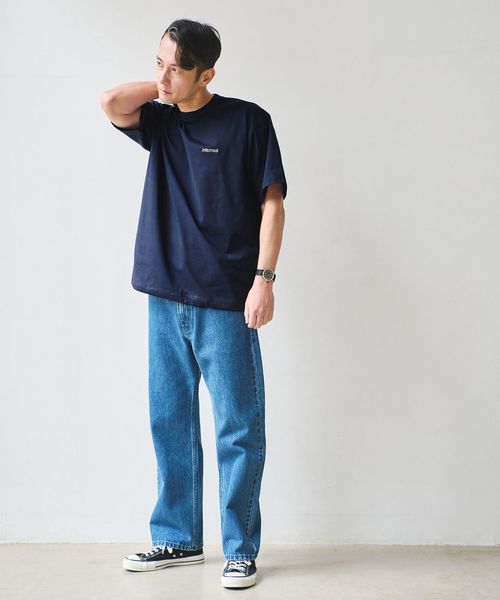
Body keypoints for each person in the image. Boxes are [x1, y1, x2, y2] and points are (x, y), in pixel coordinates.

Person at [100, 18, 287, 589]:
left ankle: (240, 550)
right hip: (164, 295)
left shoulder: (248, 121)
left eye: (178, 68)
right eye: (158, 62)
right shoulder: (160, 120)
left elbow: (273, 205)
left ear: (208, 74)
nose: (163, 76)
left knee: (238, 428)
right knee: (170, 421)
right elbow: (110, 102)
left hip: (227, 298)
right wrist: (163, 82)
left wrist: (264, 280)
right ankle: (177, 538)